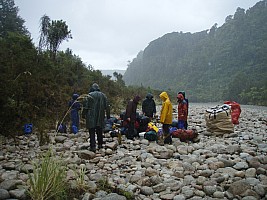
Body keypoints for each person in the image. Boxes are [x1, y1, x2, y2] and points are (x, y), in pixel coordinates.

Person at [83, 83, 110, 152]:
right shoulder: (103, 95)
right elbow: (107, 107)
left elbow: (85, 107)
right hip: (100, 116)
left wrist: (83, 115)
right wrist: (108, 116)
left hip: (90, 116)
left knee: (91, 132)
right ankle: (100, 144)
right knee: (99, 130)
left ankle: (93, 146)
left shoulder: (89, 95)